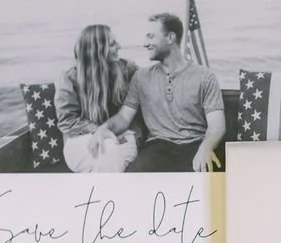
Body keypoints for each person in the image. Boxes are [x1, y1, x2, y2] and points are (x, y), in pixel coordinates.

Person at [89, 13, 226, 172]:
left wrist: (206, 148)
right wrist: (104, 128)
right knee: (134, 177)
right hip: (158, 147)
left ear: (170, 38)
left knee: (213, 179)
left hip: (196, 144)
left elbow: (217, 125)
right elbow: (123, 117)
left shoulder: (205, 76)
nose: (145, 44)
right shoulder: (141, 77)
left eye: (151, 37)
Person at [55, 24, 142, 173]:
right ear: (98, 50)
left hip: (122, 134)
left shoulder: (128, 69)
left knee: (111, 153)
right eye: (113, 44)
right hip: (80, 140)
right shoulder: (69, 78)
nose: (119, 46)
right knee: (109, 151)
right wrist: (99, 131)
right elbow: (67, 120)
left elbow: (137, 105)